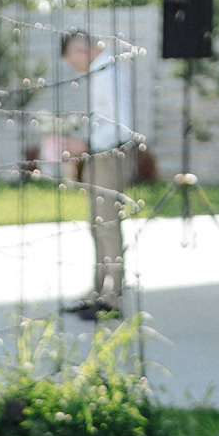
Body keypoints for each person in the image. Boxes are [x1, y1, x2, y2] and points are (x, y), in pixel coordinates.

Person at [59, 30, 138, 320]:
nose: (76, 70)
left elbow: (119, 124)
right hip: (101, 154)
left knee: (107, 224)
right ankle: (98, 292)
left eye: (72, 62)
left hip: (111, 155)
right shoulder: (104, 70)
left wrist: (85, 144)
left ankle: (112, 298)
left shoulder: (108, 72)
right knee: (97, 223)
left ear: (80, 51)